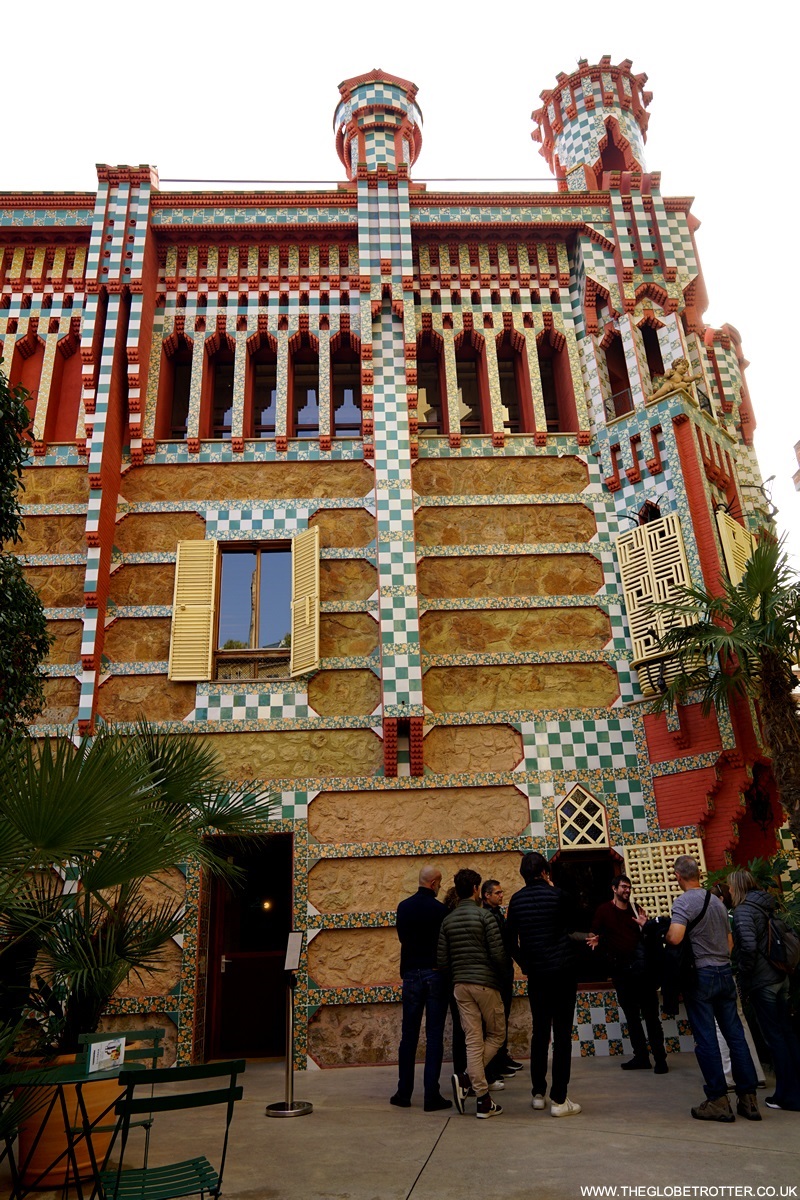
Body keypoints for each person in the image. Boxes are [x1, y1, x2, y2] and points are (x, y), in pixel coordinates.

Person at [666, 855, 760, 1122]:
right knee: (735, 1036)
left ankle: (718, 1099)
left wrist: (664, 934)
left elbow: (676, 936)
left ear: (677, 876)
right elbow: (730, 943)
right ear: (698, 873)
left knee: (706, 1039)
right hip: (724, 973)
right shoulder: (718, 902)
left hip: (702, 975)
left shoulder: (684, 901)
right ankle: (749, 1099)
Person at [505, 851, 582, 1117]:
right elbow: (576, 920)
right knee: (562, 1036)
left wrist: (525, 964)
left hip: (537, 975)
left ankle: (538, 1092)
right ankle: (559, 1099)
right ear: (545, 872)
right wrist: (553, 887)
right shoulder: (558, 896)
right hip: (562, 972)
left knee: (540, 1033)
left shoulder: (515, 901)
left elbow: (509, 942)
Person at [438, 868, 508, 1119]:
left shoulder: (447, 920)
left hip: (460, 985)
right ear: (477, 889)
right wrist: (499, 978)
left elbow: (443, 961)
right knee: (497, 1034)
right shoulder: (485, 917)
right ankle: (467, 1079)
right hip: (485, 983)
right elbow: (499, 955)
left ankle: (482, 1099)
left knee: (473, 1039)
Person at [729, 867, 800, 1111]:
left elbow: (748, 947)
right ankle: (795, 1089)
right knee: (787, 1033)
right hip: (781, 976)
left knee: (775, 1038)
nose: (728, 890)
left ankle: (787, 1095)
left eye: (730, 886)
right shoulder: (766, 905)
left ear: (737, 887)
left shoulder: (743, 911)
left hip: (763, 980)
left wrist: (744, 975)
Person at [587, 874, 667, 1073]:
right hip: (621, 972)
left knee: (651, 1016)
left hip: (643, 971)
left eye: (629, 887)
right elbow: (594, 933)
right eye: (623, 887)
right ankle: (641, 1057)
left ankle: (660, 1059)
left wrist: (645, 925)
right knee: (632, 1017)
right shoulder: (604, 910)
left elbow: (647, 939)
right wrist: (596, 940)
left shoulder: (635, 909)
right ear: (614, 889)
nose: (627, 890)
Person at [391, 863, 452, 1111]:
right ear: (434, 883)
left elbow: (403, 938)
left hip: (410, 974)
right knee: (434, 1036)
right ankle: (431, 1095)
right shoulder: (441, 910)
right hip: (435, 974)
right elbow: (444, 944)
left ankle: (403, 1093)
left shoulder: (403, 907)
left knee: (409, 1036)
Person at [481, 879, 523, 1078]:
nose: (501, 895)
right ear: (486, 895)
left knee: (502, 1016)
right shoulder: (487, 916)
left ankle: (502, 1056)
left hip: (504, 972)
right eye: (497, 893)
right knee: (495, 1020)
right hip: (496, 975)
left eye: (501, 892)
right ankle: (495, 1061)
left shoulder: (497, 913)